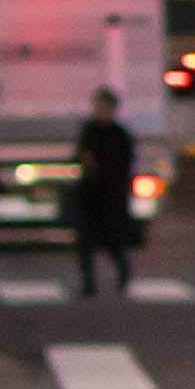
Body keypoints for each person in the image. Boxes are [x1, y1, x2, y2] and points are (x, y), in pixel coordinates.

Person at [66, 88, 141, 297]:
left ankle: (122, 269)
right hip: (90, 194)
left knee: (112, 241)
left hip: (111, 197)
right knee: (84, 242)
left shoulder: (120, 134)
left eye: (105, 106)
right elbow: (78, 155)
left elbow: (125, 164)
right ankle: (88, 283)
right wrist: (84, 161)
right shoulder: (89, 130)